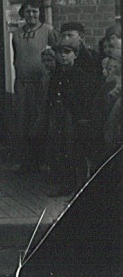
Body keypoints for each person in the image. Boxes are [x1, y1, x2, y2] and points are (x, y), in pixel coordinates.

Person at [11, 0, 59, 174]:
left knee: (40, 121)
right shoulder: (16, 34)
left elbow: (57, 55)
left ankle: (42, 161)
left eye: (35, 12)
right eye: (28, 11)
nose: (31, 15)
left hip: (41, 85)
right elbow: (17, 57)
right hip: (23, 85)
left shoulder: (48, 31)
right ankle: (27, 162)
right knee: (23, 123)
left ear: (40, 13)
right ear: (22, 13)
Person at [46, 42, 96, 197]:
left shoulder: (79, 75)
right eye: (60, 53)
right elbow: (52, 94)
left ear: (75, 54)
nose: (63, 56)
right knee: (60, 147)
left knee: (73, 148)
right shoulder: (56, 74)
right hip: (57, 113)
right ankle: (66, 183)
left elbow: (84, 98)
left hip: (73, 116)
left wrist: (82, 117)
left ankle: (79, 186)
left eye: (67, 52)